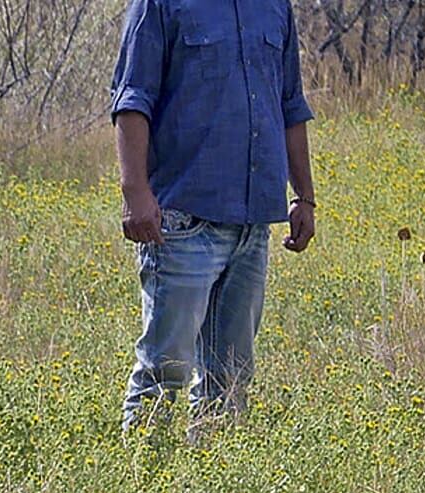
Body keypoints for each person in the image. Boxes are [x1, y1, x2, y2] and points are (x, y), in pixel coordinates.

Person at [108, 0, 318, 431]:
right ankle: (146, 484)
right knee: (163, 372)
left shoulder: (275, 7)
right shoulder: (159, 4)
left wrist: (305, 196)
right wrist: (135, 193)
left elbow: (290, 104)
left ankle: (209, 487)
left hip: (253, 222)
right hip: (183, 223)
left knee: (231, 379)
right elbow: (132, 99)